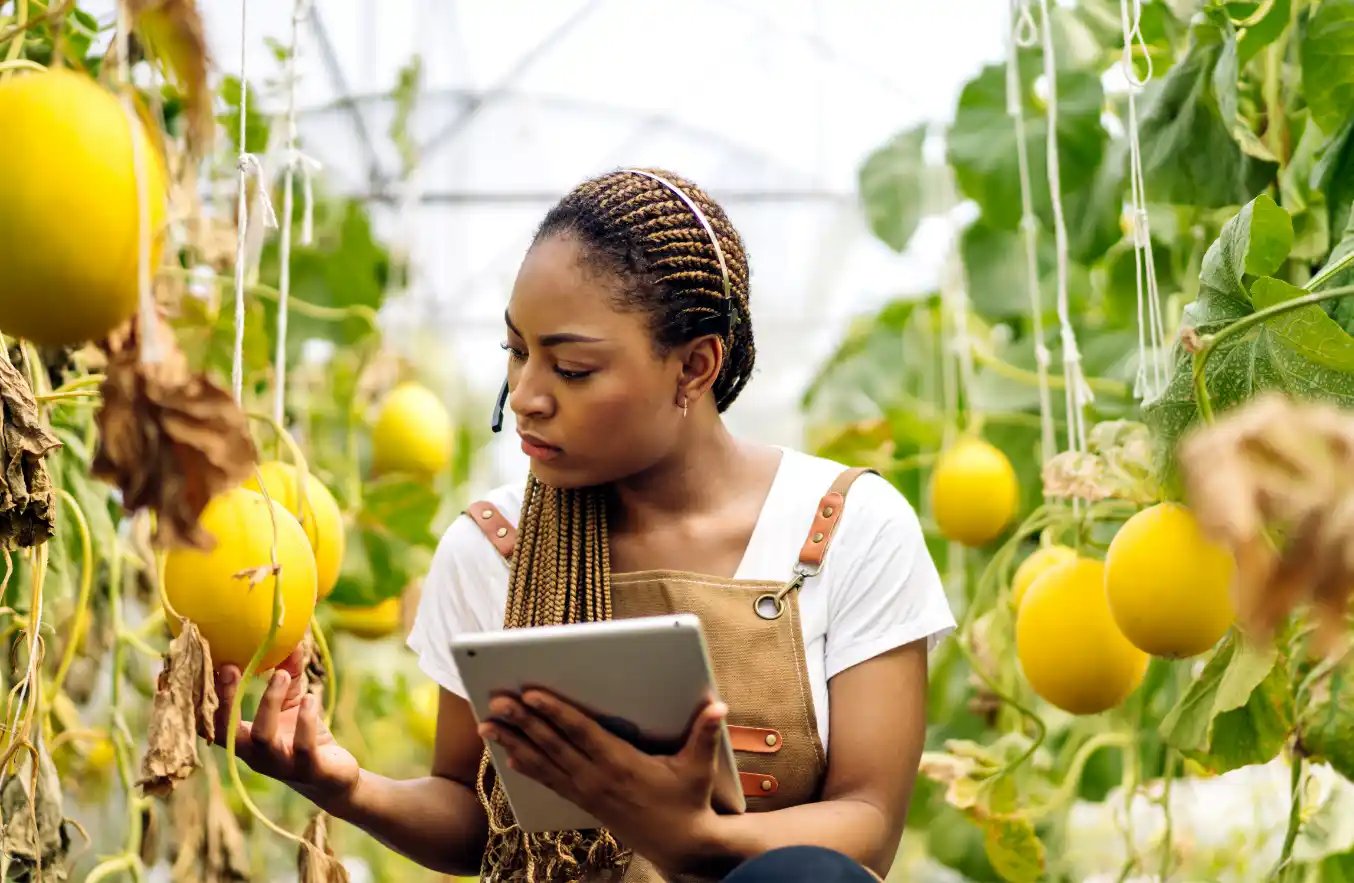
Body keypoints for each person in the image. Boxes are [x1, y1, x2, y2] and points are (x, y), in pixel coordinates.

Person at [210, 168, 956, 882]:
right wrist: (348, 784)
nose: (527, 396)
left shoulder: (851, 528)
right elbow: (475, 816)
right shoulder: (490, 547)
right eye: (516, 350)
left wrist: (698, 842)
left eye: (572, 369)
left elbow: (867, 821)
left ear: (694, 368)